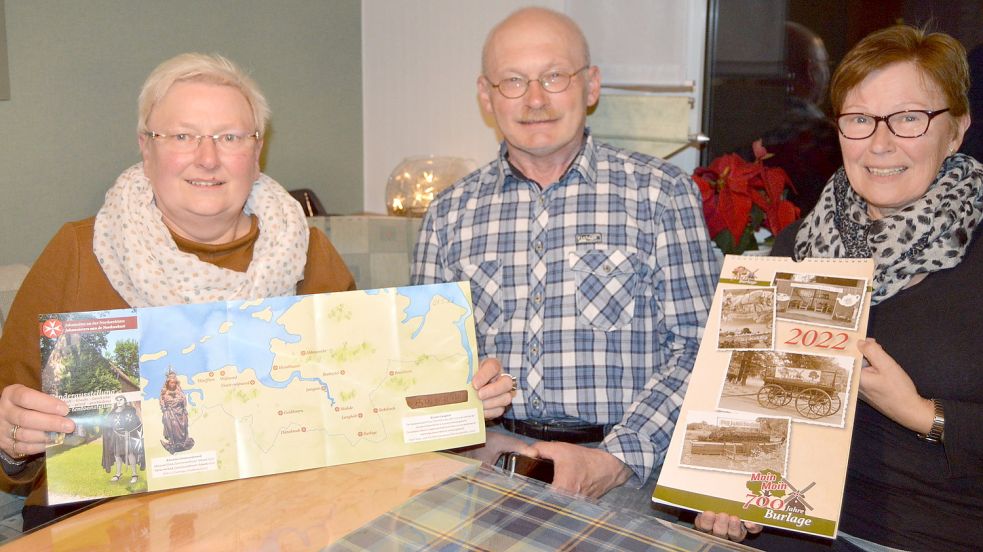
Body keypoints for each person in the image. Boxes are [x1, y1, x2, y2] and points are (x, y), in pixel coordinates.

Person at [411, 7, 719, 511]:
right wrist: (469, 427)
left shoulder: (660, 194)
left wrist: (614, 461)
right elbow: (425, 372)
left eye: (554, 76)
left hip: (627, 474)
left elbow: (699, 349)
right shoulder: (447, 215)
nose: (535, 99)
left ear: (590, 86)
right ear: (487, 97)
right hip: (488, 465)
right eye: (513, 81)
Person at [698, 26, 983, 550]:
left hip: (934, 534)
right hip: (798, 522)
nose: (879, 143)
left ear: (957, 129)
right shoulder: (799, 243)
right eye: (859, 119)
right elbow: (750, 412)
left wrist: (924, 413)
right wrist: (727, 490)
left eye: (909, 118)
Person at [101, 396, 145, 484]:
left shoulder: (130, 411)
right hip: (116, 436)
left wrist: (129, 430)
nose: (119, 401)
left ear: (125, 401)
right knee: (117, 455)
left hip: (128, 435)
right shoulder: (112, 413)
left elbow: (136, 422)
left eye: (121, 399)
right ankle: (118, 474)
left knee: (130, 453)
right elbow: (108, 424)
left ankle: (134, 474)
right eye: (117, 400)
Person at [159, 369, 194, 454]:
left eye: (174, 382)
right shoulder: (164, 392)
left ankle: (183, 442)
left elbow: (183, 401)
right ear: (168, 383)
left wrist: (179, 401)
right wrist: (165, 406)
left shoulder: (179, 392)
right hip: (171, 412)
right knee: (173, 425)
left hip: (180, 412)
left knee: (183, 425)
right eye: (171, 382)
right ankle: (173, 443)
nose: (173, 384)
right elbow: (162, 402)